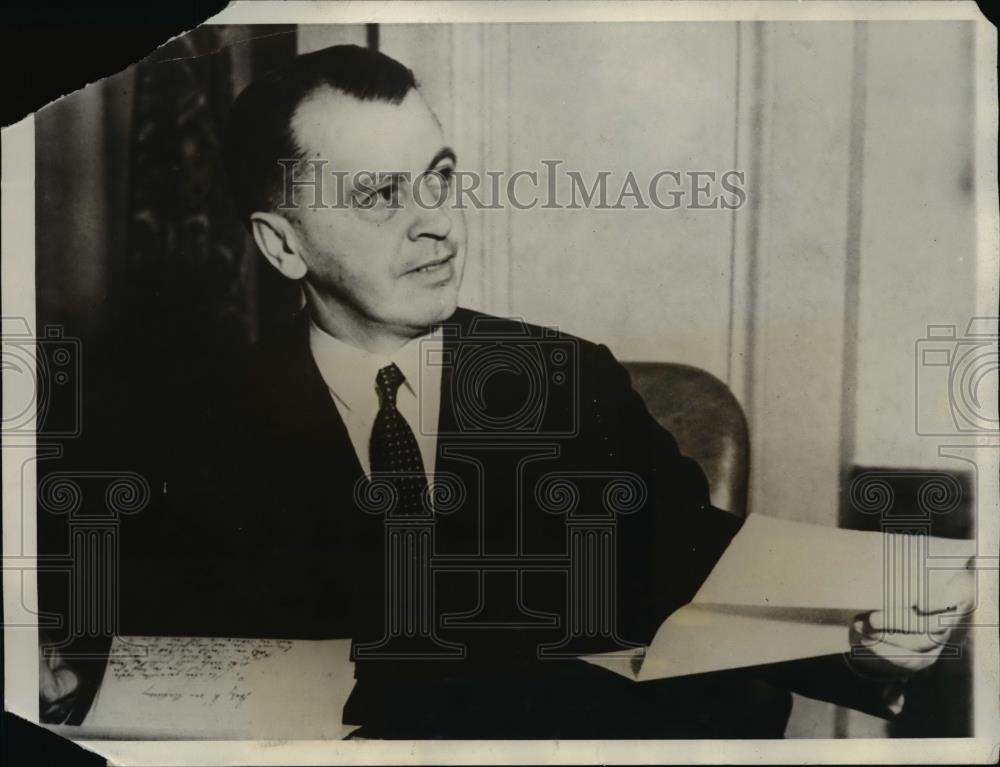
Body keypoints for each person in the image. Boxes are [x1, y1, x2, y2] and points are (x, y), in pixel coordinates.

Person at [40, 44, 972, 738]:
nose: (437, 224)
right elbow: (111, 644)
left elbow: (699, 575)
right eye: (379, 195)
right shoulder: (185, 432)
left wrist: (859, 642)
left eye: (439, 179)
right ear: (283, 244)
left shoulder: (569, 383)